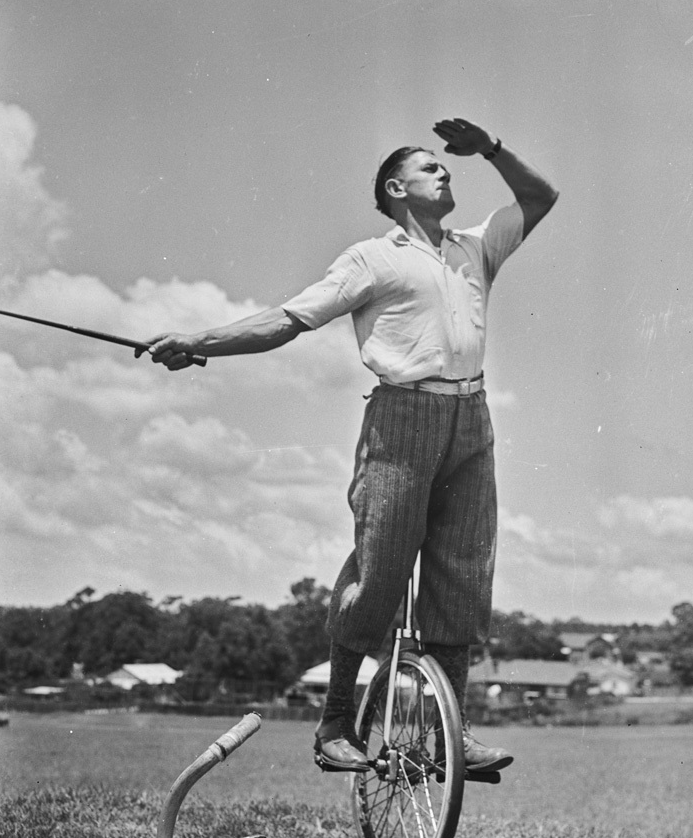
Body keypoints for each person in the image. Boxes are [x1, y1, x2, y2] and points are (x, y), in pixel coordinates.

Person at [137, 117, 558, 775]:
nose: (445, 172)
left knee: (462, 575)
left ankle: (452, 735)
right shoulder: (371, 257)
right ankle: (334, 725)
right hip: (400, 420)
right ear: (396, 188)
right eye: (429, 167)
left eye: (445, 166)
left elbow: (539, 200)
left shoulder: (475, 246)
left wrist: (494, 149)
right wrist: (198, 340)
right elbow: (286, 320)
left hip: (471, 420)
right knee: (381, 569)